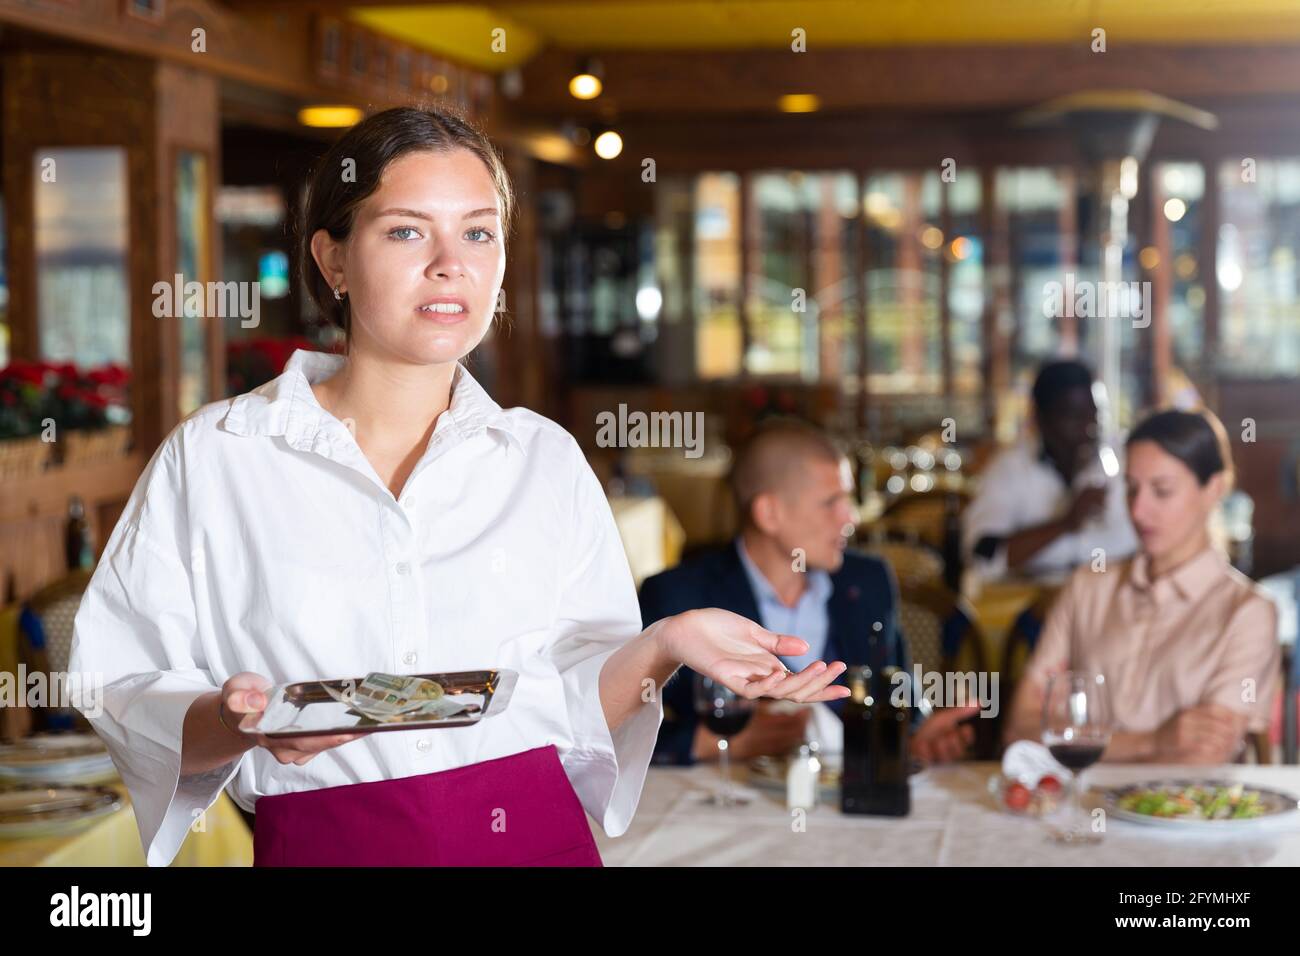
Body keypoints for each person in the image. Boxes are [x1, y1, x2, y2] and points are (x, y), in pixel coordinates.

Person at [66, 107, 850, 868]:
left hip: (535, 842)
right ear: (333, 260)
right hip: (328, 847)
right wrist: (235, 722)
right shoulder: (218, 456)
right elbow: (120, 688)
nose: (452, 263)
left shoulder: (543, 459)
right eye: (407, 230)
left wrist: (664, 643)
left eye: (478, 232)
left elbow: (574, 717)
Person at [640, 420, 979, 768]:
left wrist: (916, 740)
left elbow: (901, 700)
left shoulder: (868, 581)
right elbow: (611, 733)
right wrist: (710, 742)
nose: (850, 518)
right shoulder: (677, 597)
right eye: (832, 502)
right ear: (769, 513)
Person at [1003, 408, 1280, 763]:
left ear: (1214, 488)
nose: (1138, 510)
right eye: (1131, 490)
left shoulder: (1247, 612)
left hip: (1180, 814)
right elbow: (1019, 730)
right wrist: (1155, 742)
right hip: (1076, 808)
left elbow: (1201, 755)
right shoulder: (1088, 586)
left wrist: (1073, 739)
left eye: (1162, 491)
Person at [963, 360, 1138, 582]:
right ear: (1040, 419)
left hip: (1113, 595)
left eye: (1092, 415)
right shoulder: (1009, 469)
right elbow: (984, 556)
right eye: (1074, 416)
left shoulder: (1121, 461)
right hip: (1033, 603)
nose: (1087, 427)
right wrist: (1066, 523)